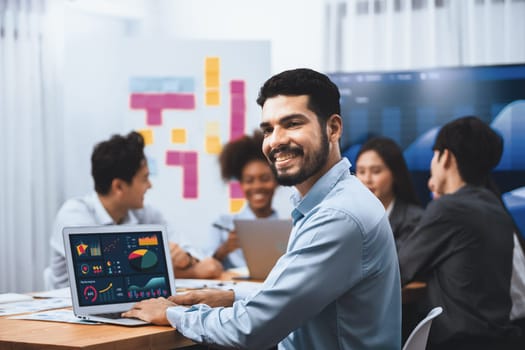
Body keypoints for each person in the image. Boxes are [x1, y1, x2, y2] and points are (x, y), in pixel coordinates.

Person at [123, 68, 402, 349]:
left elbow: (251, 329)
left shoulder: (338, 216)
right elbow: (290, 294)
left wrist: (172, 314)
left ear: (333, 128)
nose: (276, 140)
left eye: (292, 124)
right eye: (268, 129)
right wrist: (231, 296)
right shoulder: (334, 201)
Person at [398, 116, 520, 349]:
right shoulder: (495, 207)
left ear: (446, 157)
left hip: (458, 342)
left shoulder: (450, 209)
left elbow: (399, 268)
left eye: (434, 155)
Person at [45, 131, 223, 290]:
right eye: (144, 178)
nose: (150, 185)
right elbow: (114, 277)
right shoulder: (74, 215)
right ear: (119, 187)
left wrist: (187, 260)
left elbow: (207, 264)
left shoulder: (147, 214)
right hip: (69, 315)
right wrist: (191, 272)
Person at [202, 130, 279, 269]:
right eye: (249, 180)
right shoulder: (222, 225)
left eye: (265, 179)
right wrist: (224, 249)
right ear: (241, 185)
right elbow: (203, 266)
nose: (257, 186)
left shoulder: (292, 228)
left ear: (277, 181)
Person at [355, 136, 423, 251]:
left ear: (395, 174)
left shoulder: (415, 220)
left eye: (376, 171)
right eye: (361, 172)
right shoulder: (350, 217)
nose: (367, 179)